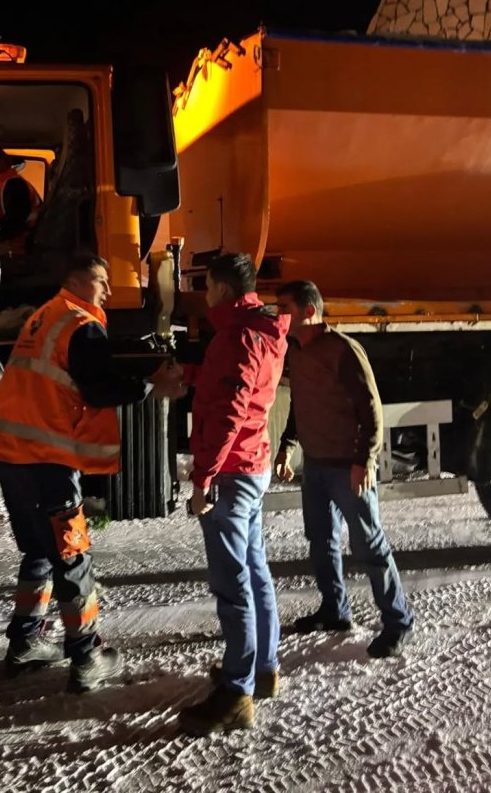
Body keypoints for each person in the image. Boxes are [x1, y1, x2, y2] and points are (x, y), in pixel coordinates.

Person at [0, 251, 185, 693]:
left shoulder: (44, 317)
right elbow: (98, 388)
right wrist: (155, 386)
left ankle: (25, 642)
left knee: (38, 549)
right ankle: (87, 655)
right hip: (48, 457)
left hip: (12, 452)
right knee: (71, 554)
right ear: (75, 281)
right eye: (101, 281)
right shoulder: (80, 323)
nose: (109, 291)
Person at [177, 252, 290, 737]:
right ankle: (263, 669)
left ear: (221, 288)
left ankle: (236, 693)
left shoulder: (236, 335)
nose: (204, 297)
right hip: (253, 464)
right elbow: (235, 387)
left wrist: (203, 477)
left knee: (232, 585)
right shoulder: (261, 330)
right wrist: (188, 376)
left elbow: (230, 411)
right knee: (255, 571)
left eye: (207, 288)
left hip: (231, 471)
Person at [273, 279, 415, 658]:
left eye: (283, 307)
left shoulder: (342, 350)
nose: (278, 315)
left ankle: (399, 621)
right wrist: (288, 447)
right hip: (317, 466)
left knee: (369, 544)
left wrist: (363, 461)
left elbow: (371, 410)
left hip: (347, 468)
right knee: (321, 541)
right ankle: (335, 611)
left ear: (308, 310)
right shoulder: (298, 352)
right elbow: (299, 406)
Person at [0, 147, 42, 255]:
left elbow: (15, 222)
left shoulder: (14, 185)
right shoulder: (9, 184)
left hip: (22, 247)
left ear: (1, 163)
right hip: (19, 244)